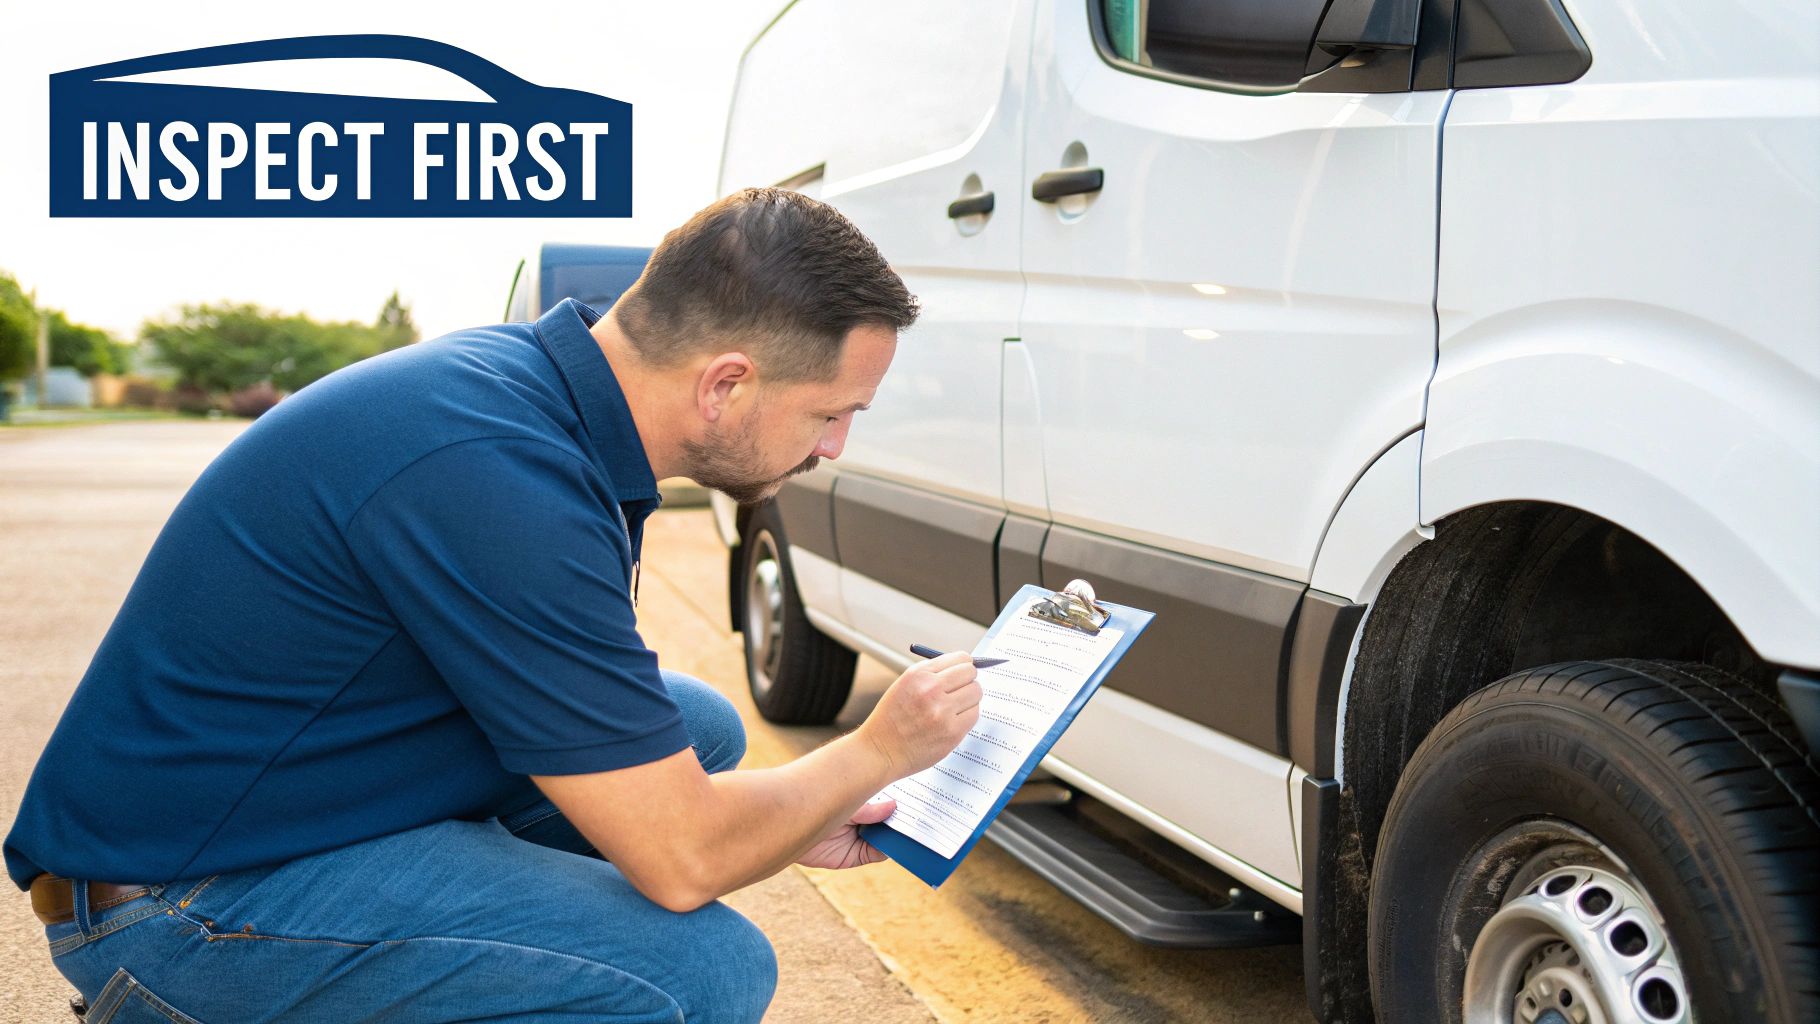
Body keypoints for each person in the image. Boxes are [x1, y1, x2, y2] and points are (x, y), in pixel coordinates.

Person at [5, 187, 983, 1022]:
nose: (834, 448)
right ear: (725, 384)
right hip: (177, 898)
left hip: (267, 805)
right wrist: (874, 750)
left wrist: (782, 812)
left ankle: (455, 949)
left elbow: (661, 792)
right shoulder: (497, 480)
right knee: (701, 969)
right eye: (830, 411)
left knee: (700, 730)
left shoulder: (525, 402)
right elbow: (681, 856)